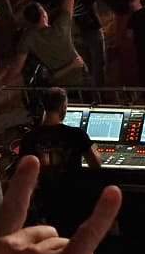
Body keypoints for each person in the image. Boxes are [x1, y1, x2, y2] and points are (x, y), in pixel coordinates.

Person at [17, 87, 102, 227]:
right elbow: (96, 164)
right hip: (73, 200)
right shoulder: (76, 134)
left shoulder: (29, 138)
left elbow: (24, 174)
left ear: (43, 106)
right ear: (64, 107)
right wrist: (94, 148)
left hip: (44, 204)